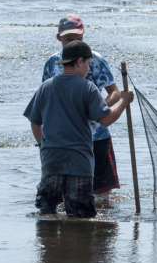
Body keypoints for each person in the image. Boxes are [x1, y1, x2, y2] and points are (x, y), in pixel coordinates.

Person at [25, 40, 133, 218]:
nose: (88, 69)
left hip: (51, 163)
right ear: (79, 62)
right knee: (80, 218)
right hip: (79, 164)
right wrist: (123, 101)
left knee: (47, 214)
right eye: (88, 64)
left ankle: (48, 246)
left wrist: (43, 146)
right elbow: (105, 120)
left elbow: (35, 122)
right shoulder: (87, 88)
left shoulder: (46, 87)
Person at [43, 14, 122, 196]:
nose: (73, 44)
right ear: (59, 38)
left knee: (102, 194)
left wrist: (95, 110)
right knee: (66, 192)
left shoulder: (95, 59)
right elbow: (47, 99)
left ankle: (103, 223)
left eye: (78, 39)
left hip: (96, 135)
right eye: (69, 39)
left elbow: (115, 92)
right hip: (65, 139)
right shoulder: (52, 63)